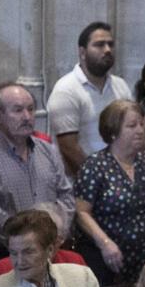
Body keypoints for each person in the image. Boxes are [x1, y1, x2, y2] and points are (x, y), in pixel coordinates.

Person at [72, 99, 145, 282]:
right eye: (132, 126)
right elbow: (82, 212)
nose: (140, 130)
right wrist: (105, 244)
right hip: (109, 258)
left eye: (142, 124)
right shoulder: (95, 166)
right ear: (113, 132)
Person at [0, 82, 76, 254]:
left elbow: (66, 194)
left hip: (52, 248)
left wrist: (56, 232)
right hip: (7, 253)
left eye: (31, 109)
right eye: (18, 110)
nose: (27, 117)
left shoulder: (48, 150)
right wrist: (29, 239)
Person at [48, 21, 132, 177]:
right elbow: (69, 147)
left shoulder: (120, 85)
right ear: (82, 52)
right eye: (99, 45)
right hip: (81, 183)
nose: (107, 50)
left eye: (110, 44)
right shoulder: (66, 89)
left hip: (121, 176)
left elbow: (133, 132)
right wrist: (102, 180)